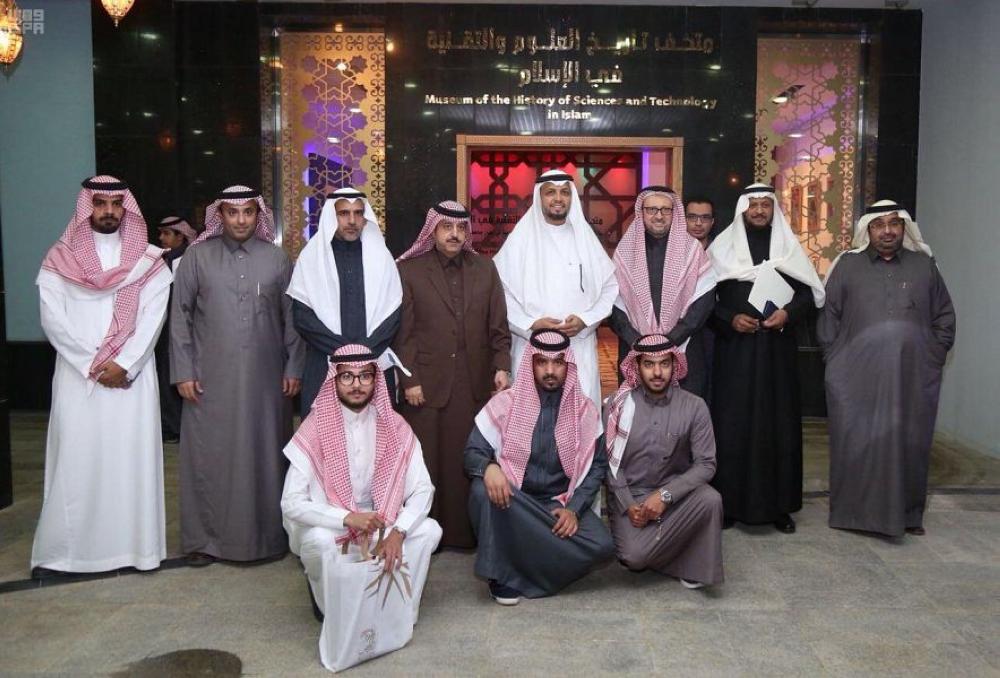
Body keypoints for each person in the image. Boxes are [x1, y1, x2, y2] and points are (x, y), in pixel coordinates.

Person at [32, 175, 172, 575]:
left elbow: (154, 318)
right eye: (100, 204)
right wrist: (92, 364)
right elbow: (52, 318)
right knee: (76, 460)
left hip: (130, 379)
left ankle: (135, 551)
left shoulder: (148, 261)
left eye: (115, 204)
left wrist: (125, 363)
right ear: (87, 208)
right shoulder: (59, 258)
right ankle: (65, 554)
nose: (109, 211)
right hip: (79, 378)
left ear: (126, 208)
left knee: (129, 461)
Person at [281, 344, 441, 667]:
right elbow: (291, 503)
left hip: (382, 526)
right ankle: (335, 612)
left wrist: (398, 532)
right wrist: (346, 518)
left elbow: (423, 488)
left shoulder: (396, 427)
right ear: (334, 379)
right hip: (334, 526)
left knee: (428, 530)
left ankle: (398, 613)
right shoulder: (314, 428)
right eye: (347, 377)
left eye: (365, 376)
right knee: (318, 541)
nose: (357, 385)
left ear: (375, 379)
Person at [170, 185, 305, 564]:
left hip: (268, 380)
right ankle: (205, 541)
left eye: (248, 212)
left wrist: (294, 367)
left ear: (258, 215)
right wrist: (183, 371)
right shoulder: (197, 257)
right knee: (208, 457)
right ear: (221, 215)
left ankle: (267, 539)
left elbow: (292, 319)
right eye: (233, 212)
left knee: (266, 456)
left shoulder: (277, 259)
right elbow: (179, 318)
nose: (241, 220)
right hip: (208, 380)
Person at [819, 200, 956, 537]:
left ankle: (907, 515)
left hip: (912, 376)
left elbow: (944, 316)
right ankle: (852, 515)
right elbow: (829, 316)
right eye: (879, 225)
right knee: (856, 441)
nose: (887, 231)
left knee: (910, 442)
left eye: (894, 224)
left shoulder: (924, 265)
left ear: (904, 228)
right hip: (855, 377)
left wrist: (932, 355)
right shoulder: (848, 265)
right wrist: (835, 361)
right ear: (868, 230)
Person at [707, 183, 825, 534]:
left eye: (765, 205)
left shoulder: (788, 248)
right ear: (742, 209)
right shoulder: (722, 248)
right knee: (732, 426)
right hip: (735, 354)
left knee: (779, 426)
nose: (759, 211)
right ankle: (729, 504)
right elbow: (703, 299)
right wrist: (730, 319)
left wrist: (788, 314)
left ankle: (779, 507)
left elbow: (808, 295)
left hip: (777, 354)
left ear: (774, 209)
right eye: (753, 205)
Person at [464, 329, 614, 605]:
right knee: (481, 490)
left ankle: (515, 563)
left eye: (557, 362)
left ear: (568, 365)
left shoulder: (585, 411)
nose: (550, 371)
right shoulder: (504, 404)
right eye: (542, 362)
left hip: (556, 504)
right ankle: (503, 576)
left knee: (602, 544)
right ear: (530, 363)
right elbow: (473, 452)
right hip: (514, 502)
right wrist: (489, 467)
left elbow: (597, 467)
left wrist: (574, 509)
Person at [395, 201, 511, 548]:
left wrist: (502, 366)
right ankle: (424, 534)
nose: (455, 234)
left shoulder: (485, 269)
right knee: (427, 462)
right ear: (433, 230)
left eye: (461, 228)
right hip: (425, 384)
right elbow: (403, 333)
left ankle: (464, 535)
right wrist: (409, 379)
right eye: (447, 227)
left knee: (466, 457)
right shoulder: (410, 270)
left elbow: (498, 327)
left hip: (474, 382)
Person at [603, 334, 723, 588]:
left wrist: (666, 495)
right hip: (632, 496)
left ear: (674, 365)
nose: (657, 372)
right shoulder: (617, 406)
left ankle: (680, 553)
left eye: (664, 364)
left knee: (710, 499)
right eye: (649, 364)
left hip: (676, 497)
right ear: (637, 367)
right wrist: (629, 505)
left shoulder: (694, 406)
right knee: (633, 558)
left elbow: (706, 464)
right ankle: (689, 553)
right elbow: (610, 465)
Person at [493, 169, 618, 409]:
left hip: (578, 347)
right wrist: (530, 323)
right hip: (531, 347)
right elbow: (499, 292)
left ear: (572, 198)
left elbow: (609, 288)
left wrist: (585, 320)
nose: (558, 199)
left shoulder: (585, 238)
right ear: (539, 196)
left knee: (579, 417)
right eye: (550, 192)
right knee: (530, 417)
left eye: (564, 193)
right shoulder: (520, 240)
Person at [287, 187, 401, 416]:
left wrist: (364, 353)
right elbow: (303, 318)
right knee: (324, 432)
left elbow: (394, 315)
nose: (352, 221)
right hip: (324, 362)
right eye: (343, 213)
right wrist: (346, 353)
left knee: (376, 433)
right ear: (332, 216)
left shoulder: (381, 257)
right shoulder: (312, 258)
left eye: (358, 213)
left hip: (373, 361)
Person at [609, 186, 716, 397]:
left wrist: (671, 339)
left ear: (674, 213)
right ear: (641, 212)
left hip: (684, 345)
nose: (659, 216)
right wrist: (637, 340)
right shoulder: (625, 251)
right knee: (637, 410)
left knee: (683, 411)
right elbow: (614, 303)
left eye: (666, 210)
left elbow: (704, 301)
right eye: (652, 209)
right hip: (635, 347)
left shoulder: (693, 250)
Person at [155, 215, 197, 443]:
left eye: (167, 234)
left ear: (181, 236)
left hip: (186, 330)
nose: (161, 238)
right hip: (162, 329)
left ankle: (182, 428)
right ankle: (169, 426)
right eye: (160, 233)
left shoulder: (192, 259)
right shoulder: (160, 261)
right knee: (164, 376)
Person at [684, 195, 719, 400]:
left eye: (705, 218)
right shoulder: (674, 254)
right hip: (683, 331)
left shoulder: (723, 252)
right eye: (692, 217)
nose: (698, 223)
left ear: (712, 222)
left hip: (717, 332)